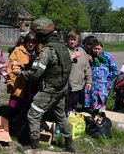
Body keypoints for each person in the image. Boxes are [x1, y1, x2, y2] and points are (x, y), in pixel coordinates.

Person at [14, 17, 75, 152]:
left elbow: (35, 74)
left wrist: (20, 73)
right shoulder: (62, 47)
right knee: (60, 115)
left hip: (49, 90)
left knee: (33, 114)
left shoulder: (47, 51)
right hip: (61, 88)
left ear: (42, 34)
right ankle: (70, 145)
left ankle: (34, 145)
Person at [6, 31, 39, 134]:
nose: (30, 44)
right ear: (25, 42)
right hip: (18, 85)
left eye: (33, 42)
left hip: (32, 86)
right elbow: (11, 67)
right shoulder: (18, 51)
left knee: (28, 108)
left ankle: (23, 129)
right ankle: (11, 128)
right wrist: (10, 82)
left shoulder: (39, 53)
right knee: (13, 106)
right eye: (28, 42)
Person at [84, 41, 117, 111]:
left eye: (98, 49)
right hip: (93, 83)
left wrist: (107, 78)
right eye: (95, 49)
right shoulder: (90, 57)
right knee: (92, 99)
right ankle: (92, 114)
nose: (96, 51)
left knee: (102, 100)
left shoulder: (107, 56)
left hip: (104, 83)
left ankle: (101, 115)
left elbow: (115, 71)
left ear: (102, 49)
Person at [66, 30, 92, 113]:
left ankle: (72, 116)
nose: (72, 41)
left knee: (75, 103)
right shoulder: (65, 50)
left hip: (80, 84)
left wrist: (89, 81)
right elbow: (61, 63)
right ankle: (66, 118)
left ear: (78, 41)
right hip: (68, 85)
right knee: (67, 104)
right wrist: (72, 56)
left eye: (74, 40)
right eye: (70, 39)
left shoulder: (81, 50)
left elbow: (87, 67)